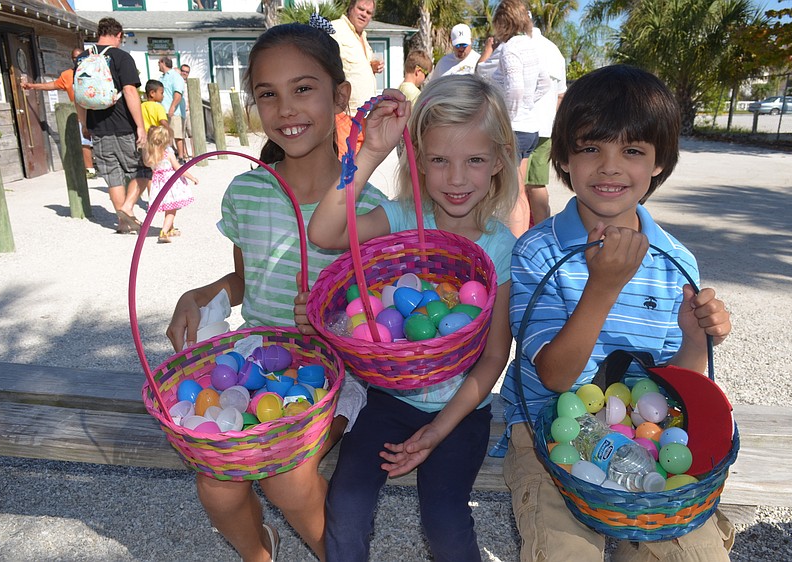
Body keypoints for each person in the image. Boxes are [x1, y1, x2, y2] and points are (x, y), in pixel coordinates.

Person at [165, 22, 388, 562]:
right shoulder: (247, 191)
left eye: (303, 88)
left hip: (339, 374)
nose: (286, 108)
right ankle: (258, 552)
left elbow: (381, 312)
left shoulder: (369, 208)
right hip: (255, 362)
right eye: (268, 94)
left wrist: (330, 322)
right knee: (216, 483)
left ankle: (334, 554)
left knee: (288, 476)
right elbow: (245, 279)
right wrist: (199, 293)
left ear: (339, 96)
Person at [497, 64, 735, 562]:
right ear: (562, 156)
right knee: (565, 552)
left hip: (644, 434)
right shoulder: (539, 253)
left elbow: (679, 388)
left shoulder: (675, 262)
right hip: (545, 430)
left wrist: (695, 339)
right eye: (590, 148)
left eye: (632, 151)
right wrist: (602, 287)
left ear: (658, 163)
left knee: (693, 554)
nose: (609, 167)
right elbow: (557, 377)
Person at [307, 75, 518, 562]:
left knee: (444, 520)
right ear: (418, 159)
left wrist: (438, 430)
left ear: (499, 160)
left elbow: (492, 359)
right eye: (440, 160)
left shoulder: (499, 247)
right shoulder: (400, 218)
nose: (457, 178)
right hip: (388, 398)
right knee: (347, 502)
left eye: (475, 160)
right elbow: (325, 230)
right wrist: (371, 153)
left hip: (460, 410)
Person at [476, 0, 551, 237]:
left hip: (515, 128)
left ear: (503, 22)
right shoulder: (532, 46)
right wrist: (528, 104)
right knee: (520, 192)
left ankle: (515, 245)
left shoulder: (510, 49)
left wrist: (509, 115)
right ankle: (522, 239)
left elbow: (515, 88)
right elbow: (545, 83)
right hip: (531, 128)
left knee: (514, 194)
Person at [75, 17, 149, 234]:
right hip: (124, 125)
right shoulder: (121, 57)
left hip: (98, 127)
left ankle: (122, 223)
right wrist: (140, 126)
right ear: (119, 35)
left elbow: (79, 97)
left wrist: (84, 124)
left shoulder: (81, 59)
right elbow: (130, 91)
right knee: (144, 169)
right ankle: (127, 208)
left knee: (113, 175)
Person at [22, 47, 96, 179]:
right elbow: (52, 85)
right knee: (85, 142)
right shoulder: (68, 75)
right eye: (75, 58)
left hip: (97, 112)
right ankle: (90, 170)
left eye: (80, 57)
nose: (77, 60)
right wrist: (32, 86)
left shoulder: (95, 71)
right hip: (81, 114)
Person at [524, 26, 567, 226]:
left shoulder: (519, 46)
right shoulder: (554, 51)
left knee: (517, 189)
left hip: (521, 128)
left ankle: (518, 237)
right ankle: (544, 230)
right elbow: (561, 95)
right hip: (546, 129)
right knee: (537, 184)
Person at [331, 0, 383, 157]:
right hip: (345, 113)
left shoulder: (363, 37)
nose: (364, 14)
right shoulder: (335, 29)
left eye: (368, 13)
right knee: (343, 165)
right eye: (361, 9)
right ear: (350, 8)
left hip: (364, 115)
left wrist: (370, 68)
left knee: (358, 167)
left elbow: (354, 70)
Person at [142, 125, 197, 244]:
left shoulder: (150, 155)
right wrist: (192, 177)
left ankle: (171, 228)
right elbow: (179, 169)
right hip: (170, 183)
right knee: (172, 209)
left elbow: (147, 165)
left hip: (158, 184)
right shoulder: (168, 154)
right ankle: (164, 231)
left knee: (168, 205)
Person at [158, 56, 188, 162]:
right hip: (163, 110)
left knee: (178, 134)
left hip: (175, 111)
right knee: (167, 134)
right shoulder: (162, 78)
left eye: (159, 62)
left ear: (163, 63)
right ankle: (172, 153)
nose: (158, 65)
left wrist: (173, 107)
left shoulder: (176, 76)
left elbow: (178, 93)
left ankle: (181, 156)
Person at [179, 63, 192, 156]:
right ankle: (185, 154)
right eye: (183, 71)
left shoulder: (190, 84)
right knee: (181, 134)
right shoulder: (177, 83)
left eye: (186, 72)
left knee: (192, 133)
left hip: (189, 111)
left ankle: (195, 154)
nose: (184, 73)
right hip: (180, 111)